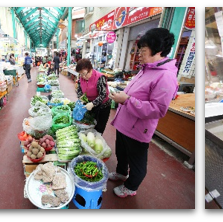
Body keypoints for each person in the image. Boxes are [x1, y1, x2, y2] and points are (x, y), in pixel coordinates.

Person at [108, 28, 178, 198]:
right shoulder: (146, 69)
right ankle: (121, 173)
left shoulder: (166, 77)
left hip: (138, 128)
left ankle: (131, 187)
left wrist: (126, 100)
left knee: (137, 162)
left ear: (159, 50)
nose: (139, 53)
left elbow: (158, 109)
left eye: (143, 50)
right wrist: (123, 94)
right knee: (122, 152)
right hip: (124, 122)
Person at [75, 59, 112, 134]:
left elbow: (103, 94)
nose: (83, 76)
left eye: (85, 74)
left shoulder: (100, 77)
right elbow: (79, 90)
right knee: (90, 124)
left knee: (99, 127)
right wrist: (81, 98)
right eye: (81, 74)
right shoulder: (81, 78)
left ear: (90, 69)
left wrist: (93, 104)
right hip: (90, 105)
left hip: (102, 107)